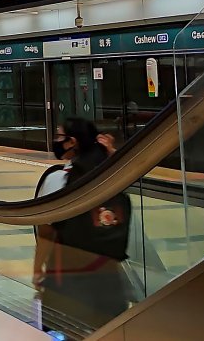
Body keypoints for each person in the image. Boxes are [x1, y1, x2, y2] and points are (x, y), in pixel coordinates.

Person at [34, 118, 132, 333]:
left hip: (70, 276)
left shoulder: (58, 179)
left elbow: (47, 232)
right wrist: (112, 155)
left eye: (60, 136)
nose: (56, 141)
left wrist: (37, 269)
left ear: (71, 143)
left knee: (71, 330)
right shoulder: (110, 175)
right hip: (110, 276)